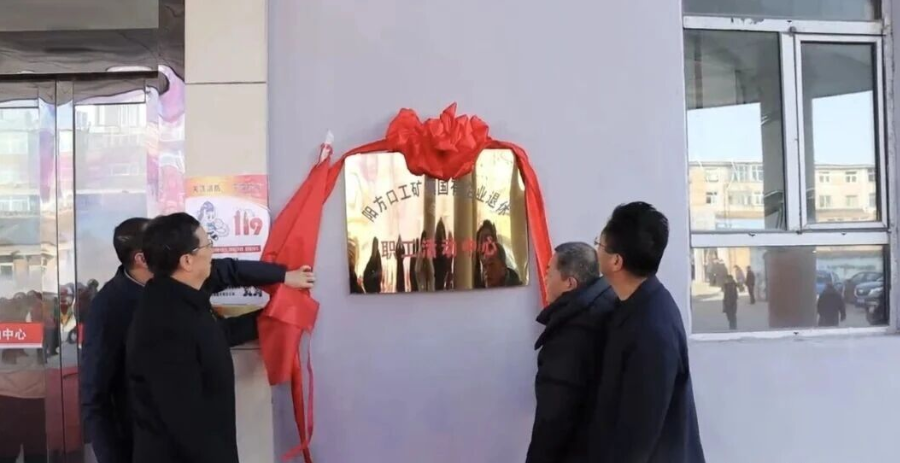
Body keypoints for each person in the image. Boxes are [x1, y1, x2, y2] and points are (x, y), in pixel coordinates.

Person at [80, 216, 314, 463]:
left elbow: (217, 323)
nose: (212, 252)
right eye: (207, 244)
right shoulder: (139, 315)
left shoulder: (184, 291)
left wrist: (279, 288)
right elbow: (99, 400)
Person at [592, 202, 705, 462]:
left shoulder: (651, 330)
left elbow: (638, 436)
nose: (596, 250)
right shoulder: (637, 303)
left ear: (616, 261)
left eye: (599, 244)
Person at [526, 242, 616, 463]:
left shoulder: (570, 335)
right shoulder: (607, 305)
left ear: (569, 283)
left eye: (549, 273)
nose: (544, 279)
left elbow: (554, 416)